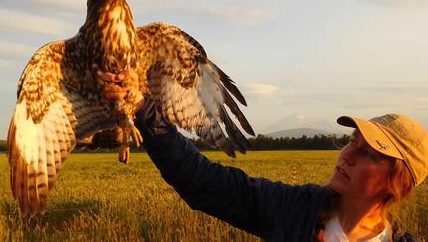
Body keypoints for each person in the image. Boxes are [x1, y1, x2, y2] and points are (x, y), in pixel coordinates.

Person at [101, 72, 427, 241]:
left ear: (398, 181)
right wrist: (143, 106)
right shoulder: (292, 209)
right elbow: (199, 180)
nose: (348, 155)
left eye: (369, 153)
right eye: (351, 141)